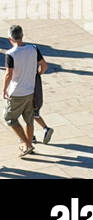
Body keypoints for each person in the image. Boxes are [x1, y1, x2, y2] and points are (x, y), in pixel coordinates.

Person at [4, 26, 47, 158]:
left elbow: (8, 75)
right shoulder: (33, 49)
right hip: (30, 90)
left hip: (16, 92)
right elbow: (44, 65)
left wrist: (4, 90)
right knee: (29, 119)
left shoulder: (10, 54)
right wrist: (36, 74)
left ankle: (26, 144)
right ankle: (28, 145)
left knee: (9, 118)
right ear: (22, 36)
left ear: (10, 38)